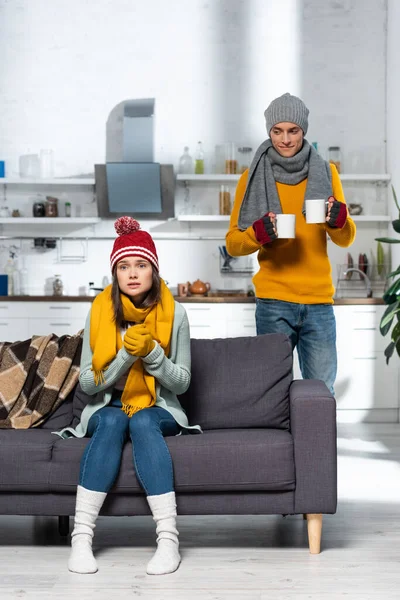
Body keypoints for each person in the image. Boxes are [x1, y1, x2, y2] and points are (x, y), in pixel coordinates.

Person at [57, 216, 200, 576]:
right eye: (124, 266)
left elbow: (181, 383)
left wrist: (152, 354)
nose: (132, 273)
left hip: (159, 407)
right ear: (115, 273)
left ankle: (168, 541)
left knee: (143, 419)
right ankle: (81, 538)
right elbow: (88, 384)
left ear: (153, 270)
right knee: (114, 418)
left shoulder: (176, 313)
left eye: (140, 265)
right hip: (109, 406)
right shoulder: (100, 310)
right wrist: (125, 356)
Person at [226, 92, 356, 394]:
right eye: (277, 131)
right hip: (273, 302)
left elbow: (346, 237)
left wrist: (337, 220)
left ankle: (318, 443)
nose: (285, 139)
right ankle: (281, 444)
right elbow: (233, 243)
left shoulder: (327, 172)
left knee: (321, 393)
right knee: (272, 392)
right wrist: (257, 234)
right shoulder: (251, 177)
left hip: (319, 303)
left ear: (303, 130)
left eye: (293, 130)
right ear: (269, 131)